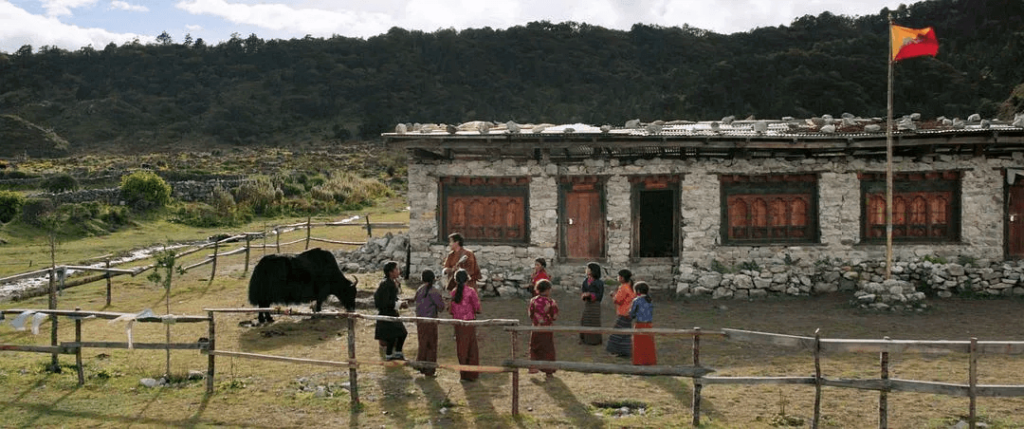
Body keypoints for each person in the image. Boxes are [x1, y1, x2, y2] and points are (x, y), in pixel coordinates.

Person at [449, 269, 481, 381]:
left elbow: (451, 310)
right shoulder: (470, 291)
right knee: (471, 348)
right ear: (467, 279)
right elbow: (477, 307)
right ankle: (472, 374)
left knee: (461, 348)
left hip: (458, 323)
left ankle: (463, 374)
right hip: (469, 322)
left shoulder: (454, 292)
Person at [414, 269, 445, 376]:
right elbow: (441, 307)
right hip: (430, 320)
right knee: (431, 345)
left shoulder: (419, 290)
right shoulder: (434, 291)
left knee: (422, 343)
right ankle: (429, 370)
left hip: (420, 320)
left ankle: (420, 364)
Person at [374, 261, 407, 361]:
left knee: (395, 334)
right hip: (387, 312)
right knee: (400, 333)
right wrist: (400, 304)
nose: (398, 271)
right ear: (390, 272)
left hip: (390, 311)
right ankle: (393, 354)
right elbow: (385, 301)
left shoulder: (390, 282)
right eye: (396, 269)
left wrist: (399, 302)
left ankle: (395, 353)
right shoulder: (387, 284)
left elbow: (392, 298)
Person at [528, 279, 558, 377]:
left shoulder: (533, 301)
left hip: (536, 328)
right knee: (548, 348)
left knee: (534, 347)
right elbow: (554, 317)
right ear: (548, 290)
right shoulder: (551, 302)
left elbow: (530, 314)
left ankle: (533, 367)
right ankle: (548, 370)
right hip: (547, 329)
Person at [606, 269, 636, 358]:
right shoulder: (630, 287)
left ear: (622, 278)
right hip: (629, 313)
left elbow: (618, 300)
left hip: (623, 313)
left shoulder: (623, 287)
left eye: (618, 276)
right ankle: (626, 351)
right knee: (626, 334)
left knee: (617, 333)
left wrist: (613, 295)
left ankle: (615, 350)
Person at [629, 281, 656, 366]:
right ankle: (649, 361)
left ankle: (639, 361)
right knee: (648, 344)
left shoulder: (636, 300)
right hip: (649, 325)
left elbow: (632, 313)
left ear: (638, 291)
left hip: (639, 324)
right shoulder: (649, 300)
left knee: (638, 344)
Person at [579, 262, 604, 345]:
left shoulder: (599, 283)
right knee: (585, 320)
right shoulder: (585, 281)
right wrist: (584, 295)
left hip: (595, 304)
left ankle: (594, 340)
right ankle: (584, 338)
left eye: (588, 268)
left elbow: (600, 294)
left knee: (594, 322)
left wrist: (591, 295)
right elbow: (583, 291)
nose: (586, 270)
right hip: (588, 304)